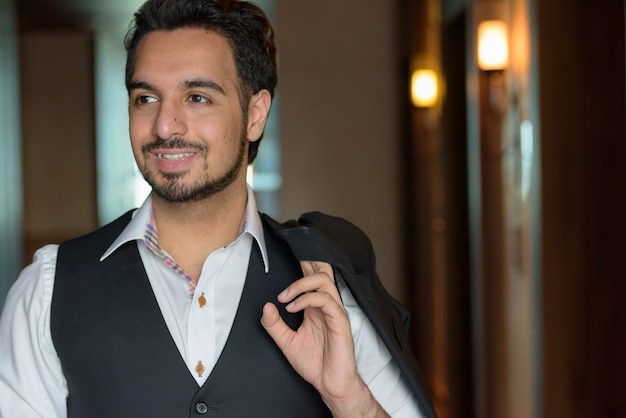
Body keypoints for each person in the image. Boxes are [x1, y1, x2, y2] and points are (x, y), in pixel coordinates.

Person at [0, 0, 436, 417]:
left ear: (255, 115)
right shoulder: (47, 291)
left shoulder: (326, 289)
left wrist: (348, 398)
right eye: (146, 98)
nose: (165, 125)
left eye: (197, 97)